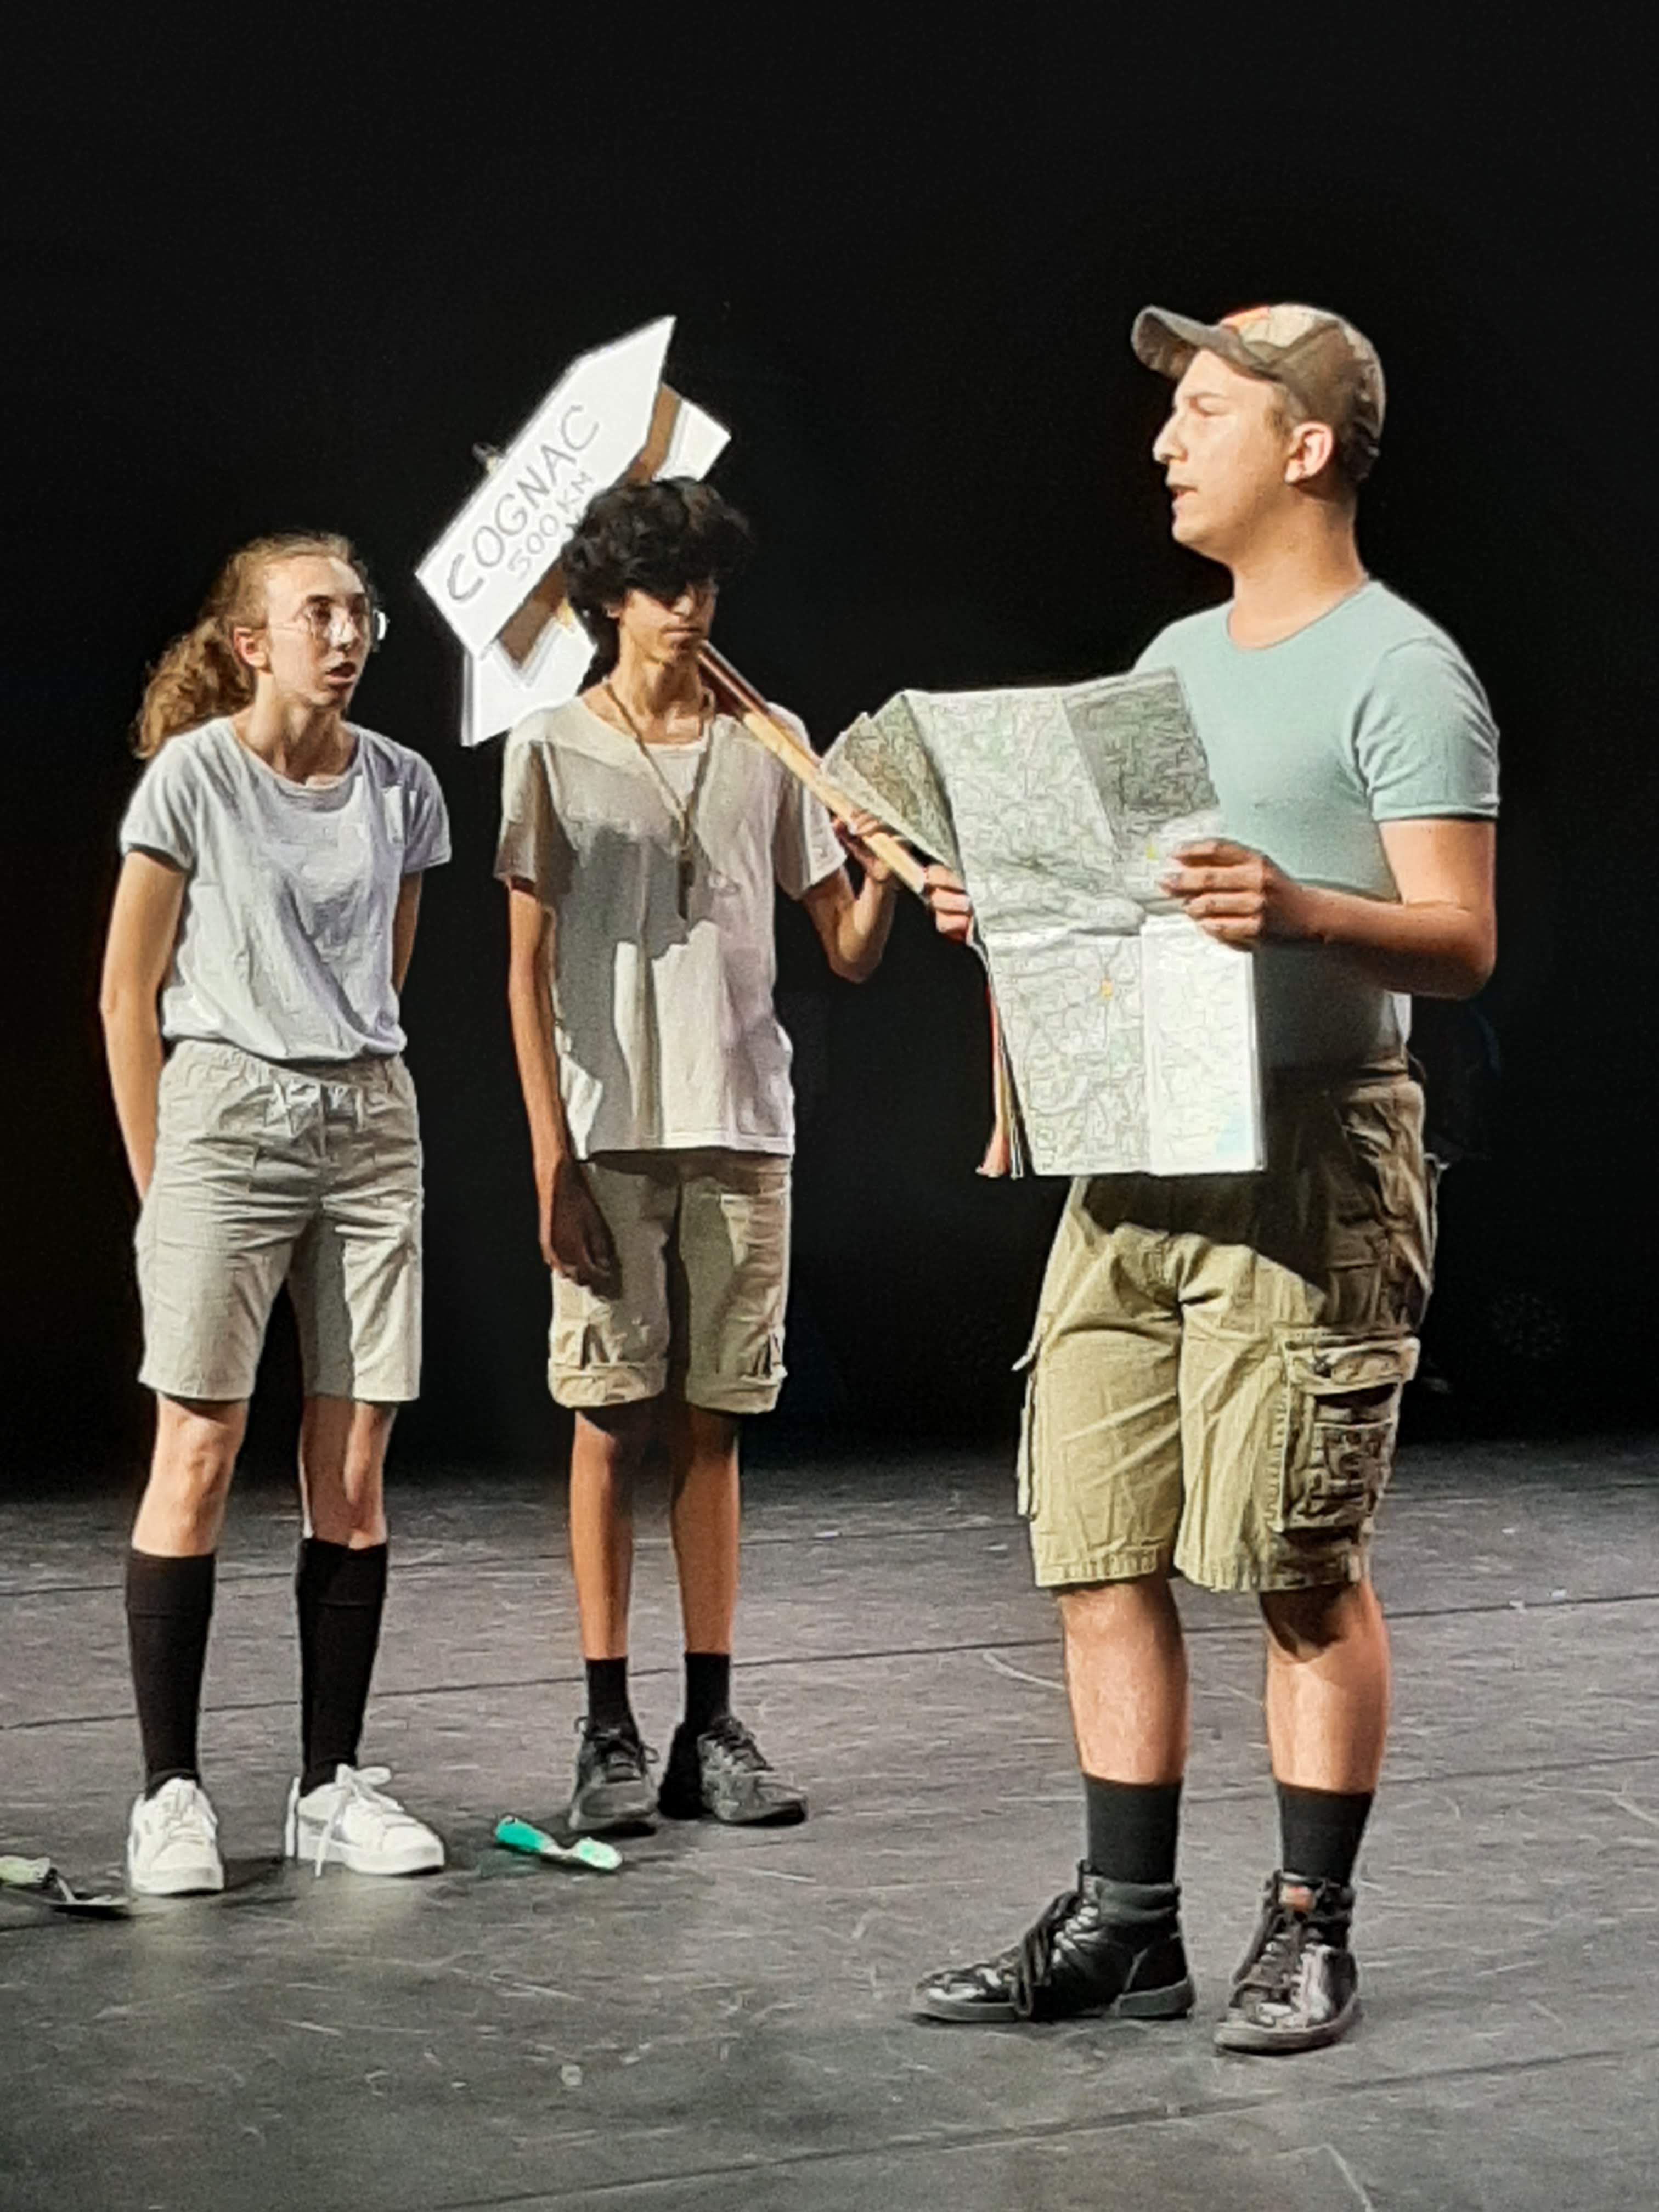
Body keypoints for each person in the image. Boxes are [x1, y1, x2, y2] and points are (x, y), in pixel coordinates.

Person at [915, 305, 1499, 2052]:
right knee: (1096, 1542)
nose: (1168, 443)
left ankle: (1309, 1925)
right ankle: (1126, 1926)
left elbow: (1462, 938)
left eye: (1207, 413)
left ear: (1304, 448)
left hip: (1311, 1151)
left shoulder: (1404, 668)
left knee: (1296, 1559)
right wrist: (1009, 910)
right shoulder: (1171, 655)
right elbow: (1128, 909)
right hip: (1140, 1145)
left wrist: (1304, 908)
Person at [498, 478, 898, 1834]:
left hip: (742, 1122)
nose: (689, 607)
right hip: (610, 1130)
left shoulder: (770, 741)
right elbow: (523, 968)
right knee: (608, 1417)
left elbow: (845, 948)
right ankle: (605, 1724)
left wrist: (882, 871)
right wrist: (550, 1156)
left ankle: (708, 1724)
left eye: (706, 584)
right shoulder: (552, 746)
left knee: (715, 1425)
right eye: (664, 585)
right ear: (609, 600)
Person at [100, 533, 451, 1894]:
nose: (346, 635)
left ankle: (328, 1785)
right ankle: (169, 1792)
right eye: (319, 614)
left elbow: (382, 973)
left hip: (366, 1117)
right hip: (225, 1111)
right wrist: (161, 1183)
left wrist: (349, 1067)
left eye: (360, 614)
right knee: (197, 1446)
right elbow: (127, 993)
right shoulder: (194, 777)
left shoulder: (403, 786)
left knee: (352, 1462)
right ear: (252, 642)